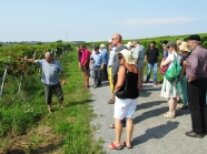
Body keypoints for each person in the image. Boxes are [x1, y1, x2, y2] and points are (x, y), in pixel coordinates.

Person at [108, 49, 139, 150]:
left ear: (125, 57)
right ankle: (129, 142)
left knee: (118, 119)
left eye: (120, 57)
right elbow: (138, 83)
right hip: (133, 96)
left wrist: (114, 91)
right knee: (129, 118)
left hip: (123, 97)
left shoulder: (123, 67)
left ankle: (117, 142)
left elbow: (120, 83)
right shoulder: (135, 67)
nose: (119, 59)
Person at [185, 35, 207, 138]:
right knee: (202, 104)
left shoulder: (195, 52)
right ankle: (204, 127)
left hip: (195, 81)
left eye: (189, 42)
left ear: (194, 42)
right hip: (204, 80)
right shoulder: (205, 51)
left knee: (194, 106)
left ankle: (198, 130)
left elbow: (193, 66)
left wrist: (190, 78)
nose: (188, 44)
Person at [160, 41, 179, 118]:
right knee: (174, 94)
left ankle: (171, 112)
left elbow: (163, 64)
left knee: (170, 95)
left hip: (170, 76)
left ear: (172, 47)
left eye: (168, 47)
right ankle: (173, 111)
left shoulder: (171, 55)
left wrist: (162, 62)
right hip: (174, 76)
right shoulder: (177, 54)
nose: (167, 49)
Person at [108, 33, 128, 104]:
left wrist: (113, 75)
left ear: (117, 39)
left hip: (120, 74)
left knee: (120, 92)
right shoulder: (120, 48)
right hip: (120, 73)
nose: (111, 41)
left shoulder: (121, 48)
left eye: (113, 39)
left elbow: (117, 64)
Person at [176, 42, 190, 110]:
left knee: (184, 90)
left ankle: (185, 104)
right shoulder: (190, 55)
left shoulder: (183, 58)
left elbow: (183, 69)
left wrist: (180, 77)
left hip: (184, 76)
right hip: (191, 76)